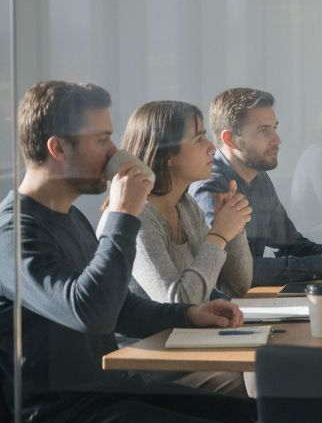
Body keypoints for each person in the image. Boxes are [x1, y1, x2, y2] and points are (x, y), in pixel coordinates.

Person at [0, 81, 260, 423]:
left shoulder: (67, 219)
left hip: (101, 395)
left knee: (248, 422)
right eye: (101, 139)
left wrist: (186, 312)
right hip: (58, 421)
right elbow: (91, 312)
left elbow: (118, 306)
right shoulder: (12, 234)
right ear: (57, 148)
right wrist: (123, 213)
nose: (116, 151)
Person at [191, 87, 322, 286]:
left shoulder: (258, 177)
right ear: (230, 139)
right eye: (263, 131)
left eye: (274, 128)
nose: (277, 140)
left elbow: (290, 244)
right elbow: (231, 273)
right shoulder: (211, 188)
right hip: (222, 309)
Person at [104, 100, 253, 304]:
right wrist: (219, 234)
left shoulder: (187, 206)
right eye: (199, 138)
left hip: (187, 335)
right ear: (168, 154)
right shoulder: (138, 216)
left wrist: (233, 229)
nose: (212, 147)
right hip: (150, 337)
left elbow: (237, 285)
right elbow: (178, 303)